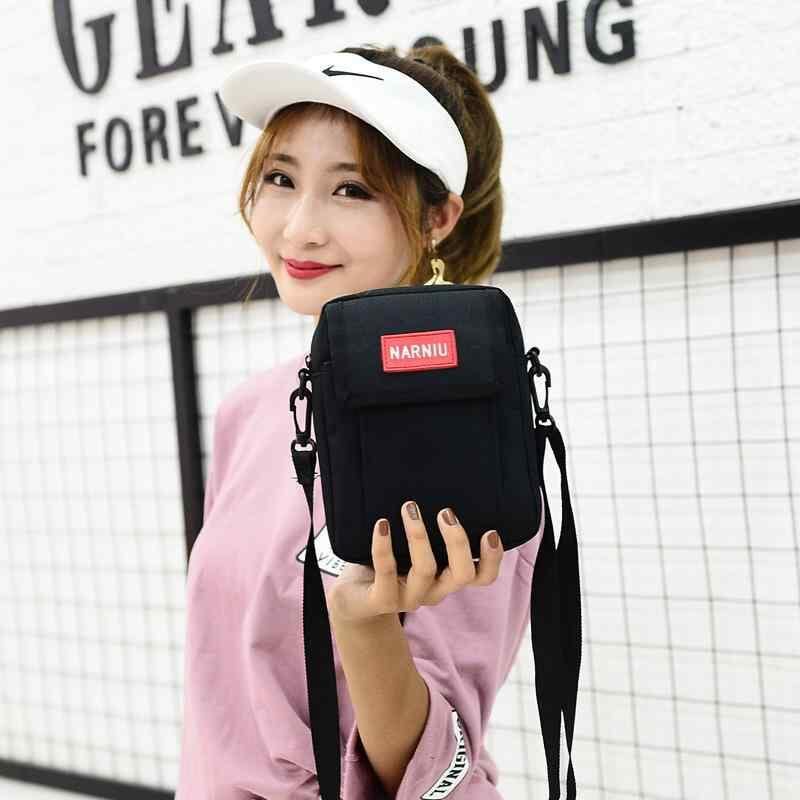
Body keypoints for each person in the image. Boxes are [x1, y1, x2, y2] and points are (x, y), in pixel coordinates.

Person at [175, 43, 544, 799]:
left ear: (438, 218)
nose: (300, 228)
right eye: (281, 178)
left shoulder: (468, 426)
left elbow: (433, 774)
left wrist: (364, 622)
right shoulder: (252, 408)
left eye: (351, 190)